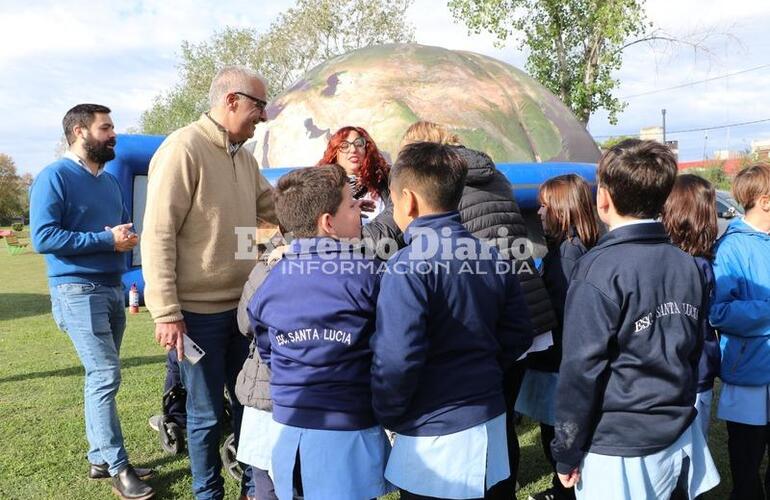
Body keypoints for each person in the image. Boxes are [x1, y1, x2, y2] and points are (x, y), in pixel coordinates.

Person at [550, 139, 720, 499]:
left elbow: (580, 371)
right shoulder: (687, 263)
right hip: (674, 430)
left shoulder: (596, 270)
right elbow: (690, 350)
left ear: (603, 199)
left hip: (619, 448)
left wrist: (566, 450)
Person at [141, 65, 277, 500]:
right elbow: (158, 234)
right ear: (231, 100)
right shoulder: (183, 148)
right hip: (196, 317)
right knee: (203, 416)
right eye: (260, 105)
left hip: (242, 310)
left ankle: (252, 490)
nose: (264, 116)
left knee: (250, 408)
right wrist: (166, 312)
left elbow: (272, 205)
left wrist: (320, 207)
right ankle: (207, 494)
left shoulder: (244, 156)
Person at [399, 121, 559, 492]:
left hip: (488, 312)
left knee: (484, 415)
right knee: (500, 419)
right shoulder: (494, 174)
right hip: (525, 310)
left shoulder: (445, 187)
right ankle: (501, 485)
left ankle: (484, 487)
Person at [371, 142, 535, 499]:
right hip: (488, 419)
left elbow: (397, 359)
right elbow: (520, 332)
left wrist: (388, 413)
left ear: (408, 200)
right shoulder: (491, 255)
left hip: (434, 433)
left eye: (393, 201)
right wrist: (485, 369)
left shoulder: (406, 266)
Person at [30, 104, 155, 499]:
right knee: (105, 376)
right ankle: (119, 468)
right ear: (80, 131)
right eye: (106, 127)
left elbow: (121, 229)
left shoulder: (109, 182)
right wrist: (106, 240)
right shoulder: (54, 176)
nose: (113, 133)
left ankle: (99, 459)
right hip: (75, 291)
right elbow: (44, 237)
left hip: (112, 286)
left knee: (98, 377)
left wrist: (127, 240)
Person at [246, 165, 393, 500]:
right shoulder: (368, 276)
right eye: (353, 206)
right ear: (328, 222)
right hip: (347, 432)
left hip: (287, 429)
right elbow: (390, 348)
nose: (361, 212)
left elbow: (267, 350)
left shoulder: (269, 283)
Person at [519, 174, 599, 500]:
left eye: (544, 206)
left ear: (561, 210)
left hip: (561, 363)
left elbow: (567, 313)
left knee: (558, 434)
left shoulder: (568, 254)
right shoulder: (579, 247)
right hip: (562, 360)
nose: (538, 213)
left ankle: (563, 494)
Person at [710, 163, 770, 500]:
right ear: (765, 201)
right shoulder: (731, 247)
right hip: (749, 374)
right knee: (747, 464)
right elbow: (720, 312)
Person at [662, 174, 721, 438]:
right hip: (695, 371)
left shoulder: (662, 258)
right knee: (694, 449)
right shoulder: (701, 265)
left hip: (668, 372)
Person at [317, 126, 401, 245]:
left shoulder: (386, 179)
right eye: (344, 146)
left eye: (358, 143)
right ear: (335, 153)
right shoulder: (322, 188)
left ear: (367, 148)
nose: (353, 149)